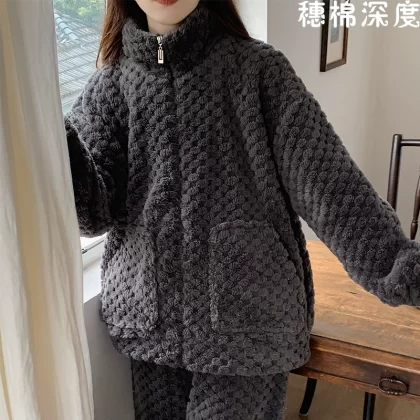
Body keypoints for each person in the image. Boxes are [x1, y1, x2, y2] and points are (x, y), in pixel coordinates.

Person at [64, 0, 420, 418]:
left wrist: (402, 269)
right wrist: (48, 129)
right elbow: (92, 212)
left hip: (248, 326)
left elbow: (331, 187)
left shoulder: (258, 72)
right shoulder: (109, 86)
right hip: (150, 324)